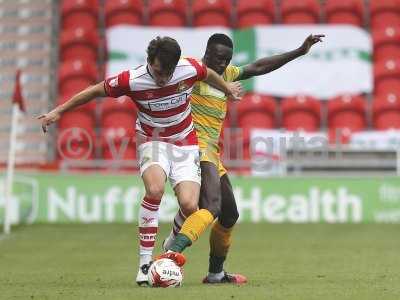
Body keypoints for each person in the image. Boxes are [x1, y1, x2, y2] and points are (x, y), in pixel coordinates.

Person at [36, 36, 242, 285]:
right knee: (155, 190)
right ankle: (145, 264)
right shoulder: (131, 80)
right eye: (157, 70)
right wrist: (58, 111)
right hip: (152, 139)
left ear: (176, 65)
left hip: (185, 142)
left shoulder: (189, 68)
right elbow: (93, 91)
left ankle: (168, 245)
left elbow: (208, 73)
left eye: (167, 72)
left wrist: (227, 88)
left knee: (190, 206)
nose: (162, 77)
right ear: (148, 61)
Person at [156, 33, 325, 284]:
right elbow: (163, 80)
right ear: (207, 53)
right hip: (192, 148)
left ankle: (215, 274)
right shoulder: (191, 72)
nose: (223, 64)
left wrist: (299, 51)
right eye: (218, 58)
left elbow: (259, 66)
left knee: (229, 215)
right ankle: (170, 254)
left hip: (211, 152)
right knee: (211, 207)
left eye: (227, 59)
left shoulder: (227, 75)